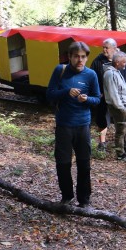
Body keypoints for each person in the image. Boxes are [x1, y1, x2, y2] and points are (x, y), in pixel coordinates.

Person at [47, 42, 100, 208]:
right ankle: (67, 197)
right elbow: (50, 95)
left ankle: (84, 200)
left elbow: (97, 99)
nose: (80, 60)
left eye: (83, 57)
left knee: (84, 163)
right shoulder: (60, 71)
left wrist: (87, 99)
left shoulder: (91, 75)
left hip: (83, 125)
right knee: (63, 163)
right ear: (69, 57)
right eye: (76, 56)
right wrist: (65, 92)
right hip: (64, 124)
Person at [90, 38, 126, 153]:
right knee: (102, 120)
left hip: (120, 97)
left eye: (106, 47)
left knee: (124, 123)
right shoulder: (98, 61)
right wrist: (97, 92)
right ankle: (102, 143)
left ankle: (124, 145)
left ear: (114, 48)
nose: (104, 50)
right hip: (103, 97)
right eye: (103, 47)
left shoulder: (122, 58)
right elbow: (92, 77)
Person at [103, 52, 126, 162]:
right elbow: (113, 94)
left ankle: (125, 146)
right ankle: (120, 154)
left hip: (124, 106)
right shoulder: (110, 74)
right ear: (117, 62)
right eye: (124, 62)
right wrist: (121, 108)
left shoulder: (117, 72)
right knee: (121, 130)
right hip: (118, 107)